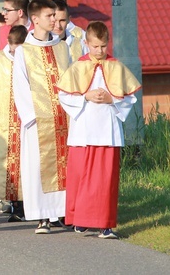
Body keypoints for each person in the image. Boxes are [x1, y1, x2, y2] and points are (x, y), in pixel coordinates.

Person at [57, 21, 141, 239]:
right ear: (86, 44)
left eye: (103, 46)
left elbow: (130, 98)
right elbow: (64, 95)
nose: (100, 51)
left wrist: (111, 98)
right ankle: (82, 220)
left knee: (105, 180)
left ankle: (106, 224)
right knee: (82, 176)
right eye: (95, 46)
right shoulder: (77, 67)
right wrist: (85, 96)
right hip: (83, 131)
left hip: (107, 131)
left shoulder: (116, 66)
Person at [12, 0, 71, 234]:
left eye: (55, 15)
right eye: (49, 16)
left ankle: (63, 211)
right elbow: (19, 85)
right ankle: (42, 217)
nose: (55, 20)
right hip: (38, 120)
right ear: (35, 19)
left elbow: (70, 80)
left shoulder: (61, 46)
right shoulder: (24, 51)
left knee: (64, 165)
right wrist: (32, 116)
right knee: (38, 167)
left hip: (63, 117)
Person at [0, 25, 28, 221]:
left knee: (27, 162)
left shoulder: (31, 58)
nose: (13, 53)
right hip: (6, 118)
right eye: (11, 49)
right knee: (10, 164)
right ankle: (16, 205)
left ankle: (30, 205)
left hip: (26, 118)